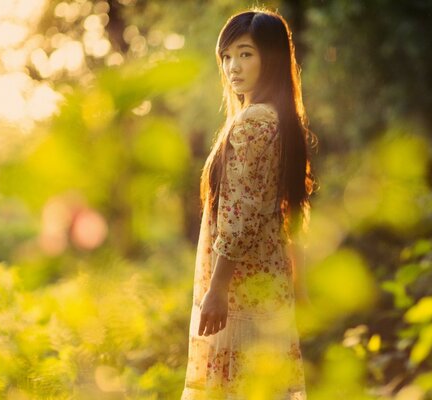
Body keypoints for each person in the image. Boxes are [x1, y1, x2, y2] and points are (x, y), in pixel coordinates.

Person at [181, 8, 315, 400]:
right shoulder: (281, 118)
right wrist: (299, 285)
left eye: (245, 54)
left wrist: (218, 288)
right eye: (226, 56)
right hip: (270, 284)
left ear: (270, 58)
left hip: (243, 288)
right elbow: (291, 212)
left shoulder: (253, 122)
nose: (232, 67)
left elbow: (238, 215)